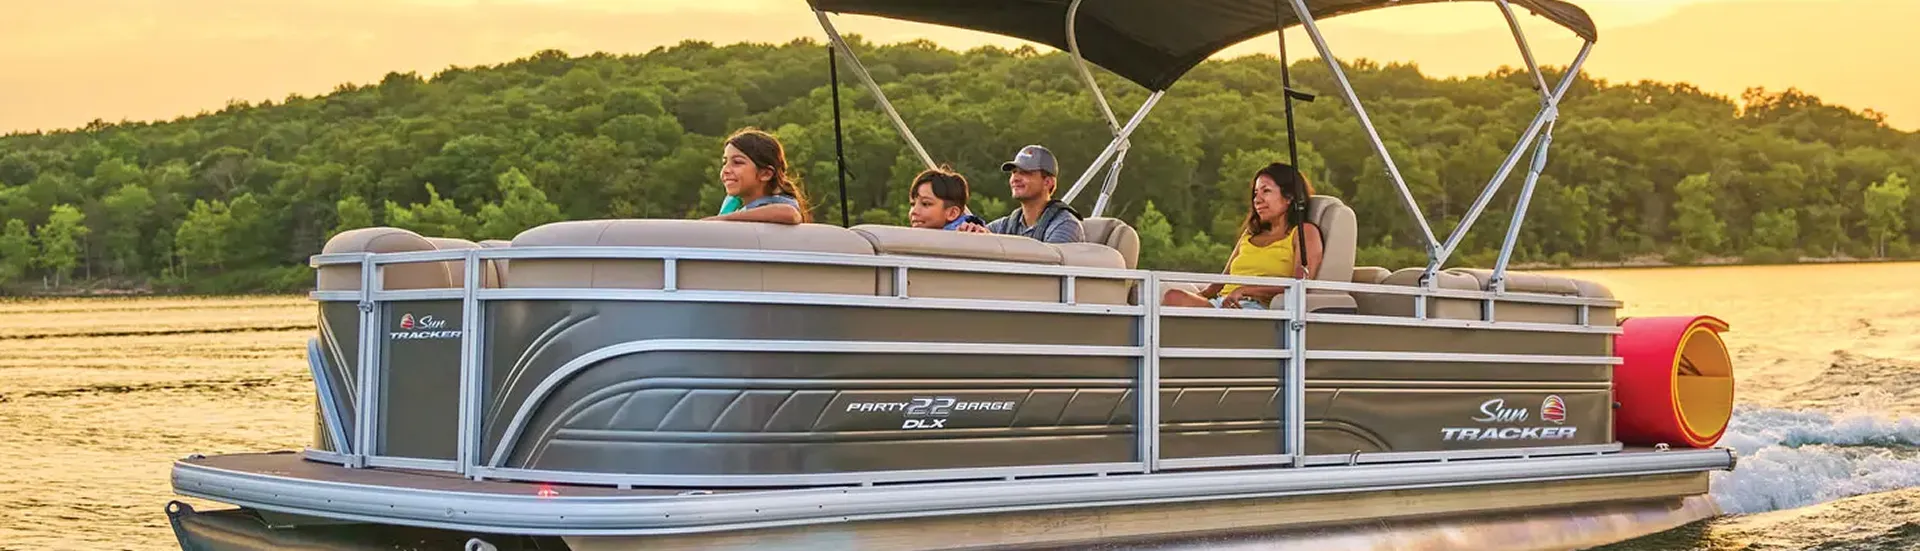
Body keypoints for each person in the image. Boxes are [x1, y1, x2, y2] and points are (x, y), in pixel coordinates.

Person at [1163, 162, 1324, 310]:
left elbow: (1299, 285)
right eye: (1255, 193)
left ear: (1289, 197)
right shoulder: (1250, 233)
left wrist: (1247, 290)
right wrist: (1199, 296)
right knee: (1173, 297)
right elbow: (1222, 281)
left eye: (1266, 191)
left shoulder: (1304, 232)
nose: (1257, 200)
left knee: (1174, 300)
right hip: (1222, 303)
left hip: (1255, 308)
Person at [964, 145, 1084, 243]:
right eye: (1014, 172)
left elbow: (1047, 269)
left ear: (1047, 182)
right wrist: (975, 233)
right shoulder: (1005, 225)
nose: (1015, 178)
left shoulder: (1066, 225)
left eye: (1025, 172)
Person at [704, 127, 809, 225]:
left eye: (737, 162)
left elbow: (790, 213)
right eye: (724, 162)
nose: (725, 170)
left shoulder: (777, 204)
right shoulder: (734, 204)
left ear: (765, 174)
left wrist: (720, 220)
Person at [906, 166, 989, 231]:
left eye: (925, 204)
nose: (914, 211)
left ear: (952, 213)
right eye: (912, 204)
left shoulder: (969, 239)